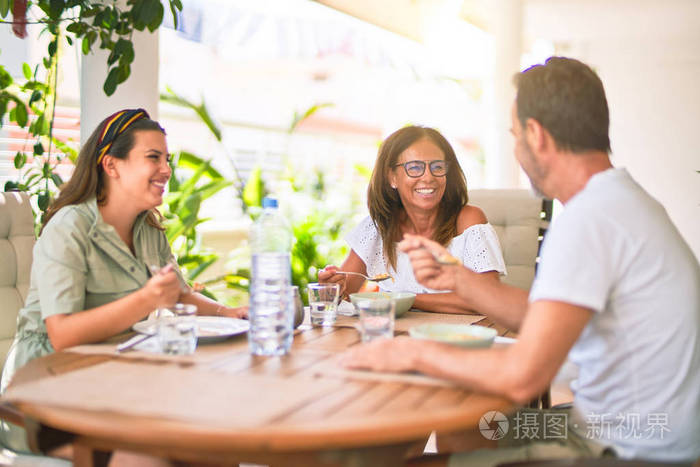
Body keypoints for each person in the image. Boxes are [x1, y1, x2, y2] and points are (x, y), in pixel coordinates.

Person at [343, 57, 700, 464]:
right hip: (615, 428)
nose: (516, 149)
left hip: (625, 449)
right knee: (461, 428)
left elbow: (523, 377)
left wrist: (409, 354)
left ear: (536, 135)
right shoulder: (617, 202)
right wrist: (457, 278)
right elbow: (538, 316)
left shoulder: (589, 220)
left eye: (515, 136)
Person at [1, 108, 248, 394]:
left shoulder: (148, 228)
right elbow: (63, 335)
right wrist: (146, 299)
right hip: (44, 379)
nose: (166, 170)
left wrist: (225, 312)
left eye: (167, 160)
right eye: (153, 157)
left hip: (110, 365)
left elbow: (177, 293)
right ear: (111, 165)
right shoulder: (69, 228)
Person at [319, 126, 506, 314]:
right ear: (392, 177)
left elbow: (489, 299)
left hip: (456, 338)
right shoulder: (377, 228)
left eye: (437, 167)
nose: (428, 177)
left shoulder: (468, 221)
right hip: (392, 337)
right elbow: (344, 296)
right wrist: (334, 286)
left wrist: (405, 299)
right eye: (415, 167)